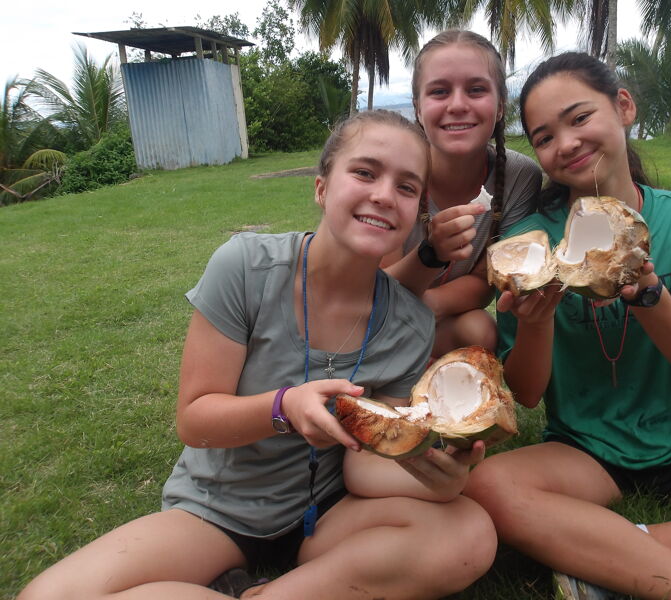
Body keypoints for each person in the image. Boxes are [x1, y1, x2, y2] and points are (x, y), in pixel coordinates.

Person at [19, 110, 496, 600]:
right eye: (365, 172)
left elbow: (364, 464)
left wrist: (434, 479)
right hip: (219, 511)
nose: (382, 195)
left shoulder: (408, 323)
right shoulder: (246, 268)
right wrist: (283, 407)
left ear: (417, 212)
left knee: (469, 532)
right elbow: (195, 419)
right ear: (321, 187)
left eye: (406, 187)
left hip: (328, 512)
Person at [464, 52, 671, 600]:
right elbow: (527, 394)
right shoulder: (527, 245)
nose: (566, 144)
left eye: (578, 119)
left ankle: (610, 553)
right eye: (544, 137)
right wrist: (538, 322)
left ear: (622, 107)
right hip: (584, 449)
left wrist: (649, 292)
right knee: (489, 488)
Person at [382, 29, 542, 358]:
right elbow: (379, 285)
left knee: (479, 330)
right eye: (440, 91)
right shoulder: (394, 172)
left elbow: (487, 278)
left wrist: (426, 308)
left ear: (500, 106)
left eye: (476, 89)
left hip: (436, 314)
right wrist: (431, 253)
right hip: (373, 310)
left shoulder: (519, 176)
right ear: (417, 107)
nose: (457, 105)